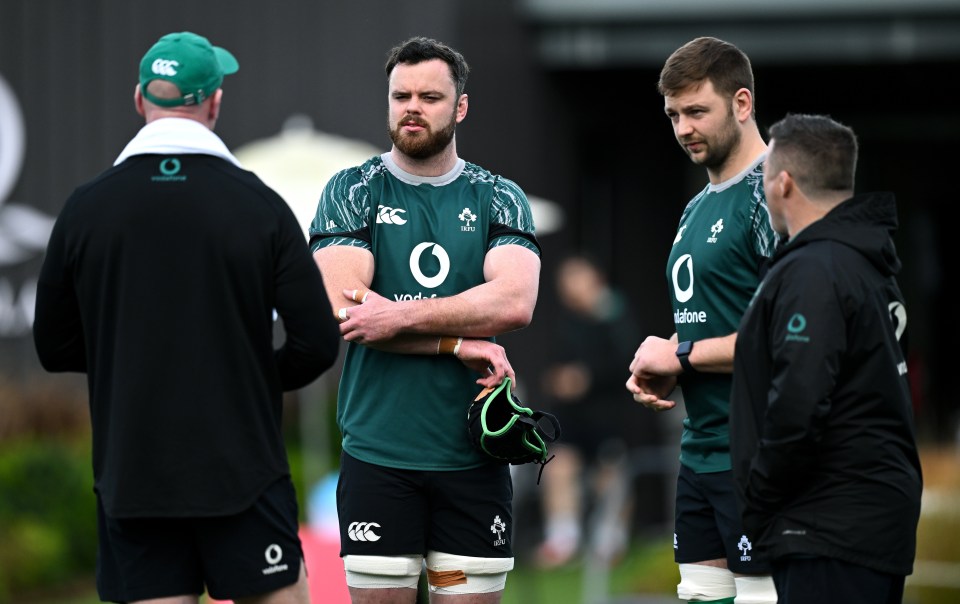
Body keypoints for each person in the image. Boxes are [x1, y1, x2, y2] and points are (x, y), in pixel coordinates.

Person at [32, 31, 341, 604]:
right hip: (243, 472)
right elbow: (318, 342)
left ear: (138, 101)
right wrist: (248, 378)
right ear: (215, 103)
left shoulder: (86, 209)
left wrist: (125, 364)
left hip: (134, 475)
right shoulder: (260, 205)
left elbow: (53, 346)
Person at [308, 37, 541, 603]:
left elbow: (513, 302)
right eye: (400, 95)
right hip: (378, 455)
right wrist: (457, 344)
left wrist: (398, 315)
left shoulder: (499, 197)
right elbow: (352, 315)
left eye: (430, 96)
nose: (412, 106)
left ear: (460, 107)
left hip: (472, 461)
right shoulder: (350, 190)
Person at [729, 113, 923, 604]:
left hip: (828, 523)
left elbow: (798, 400)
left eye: (766, 175)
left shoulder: (815, 270)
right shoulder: (866, 264)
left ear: (784, 184)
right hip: (863, 518)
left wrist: (759, 494)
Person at [625, 36, 779, 604]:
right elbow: (718, 316)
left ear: (742, 104)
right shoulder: (696, 205)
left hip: (761, 448)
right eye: (672, 114)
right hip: (700, 448)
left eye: (697, 111)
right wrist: (663, 359)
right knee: (699, 596)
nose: (683, 127)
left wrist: (682, 355)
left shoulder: (774, 191)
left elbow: (792, 332)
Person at [534, 254, 653, 568]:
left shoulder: (615, 315)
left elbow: (628, 362)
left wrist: (587, 377)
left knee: (610, 471)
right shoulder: (563, 321)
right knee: (558, 465)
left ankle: (610, 539)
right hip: (572, 417)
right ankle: (562, 539)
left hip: (610, 415)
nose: (569, 288)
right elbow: (552, 363)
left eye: (576, 278)